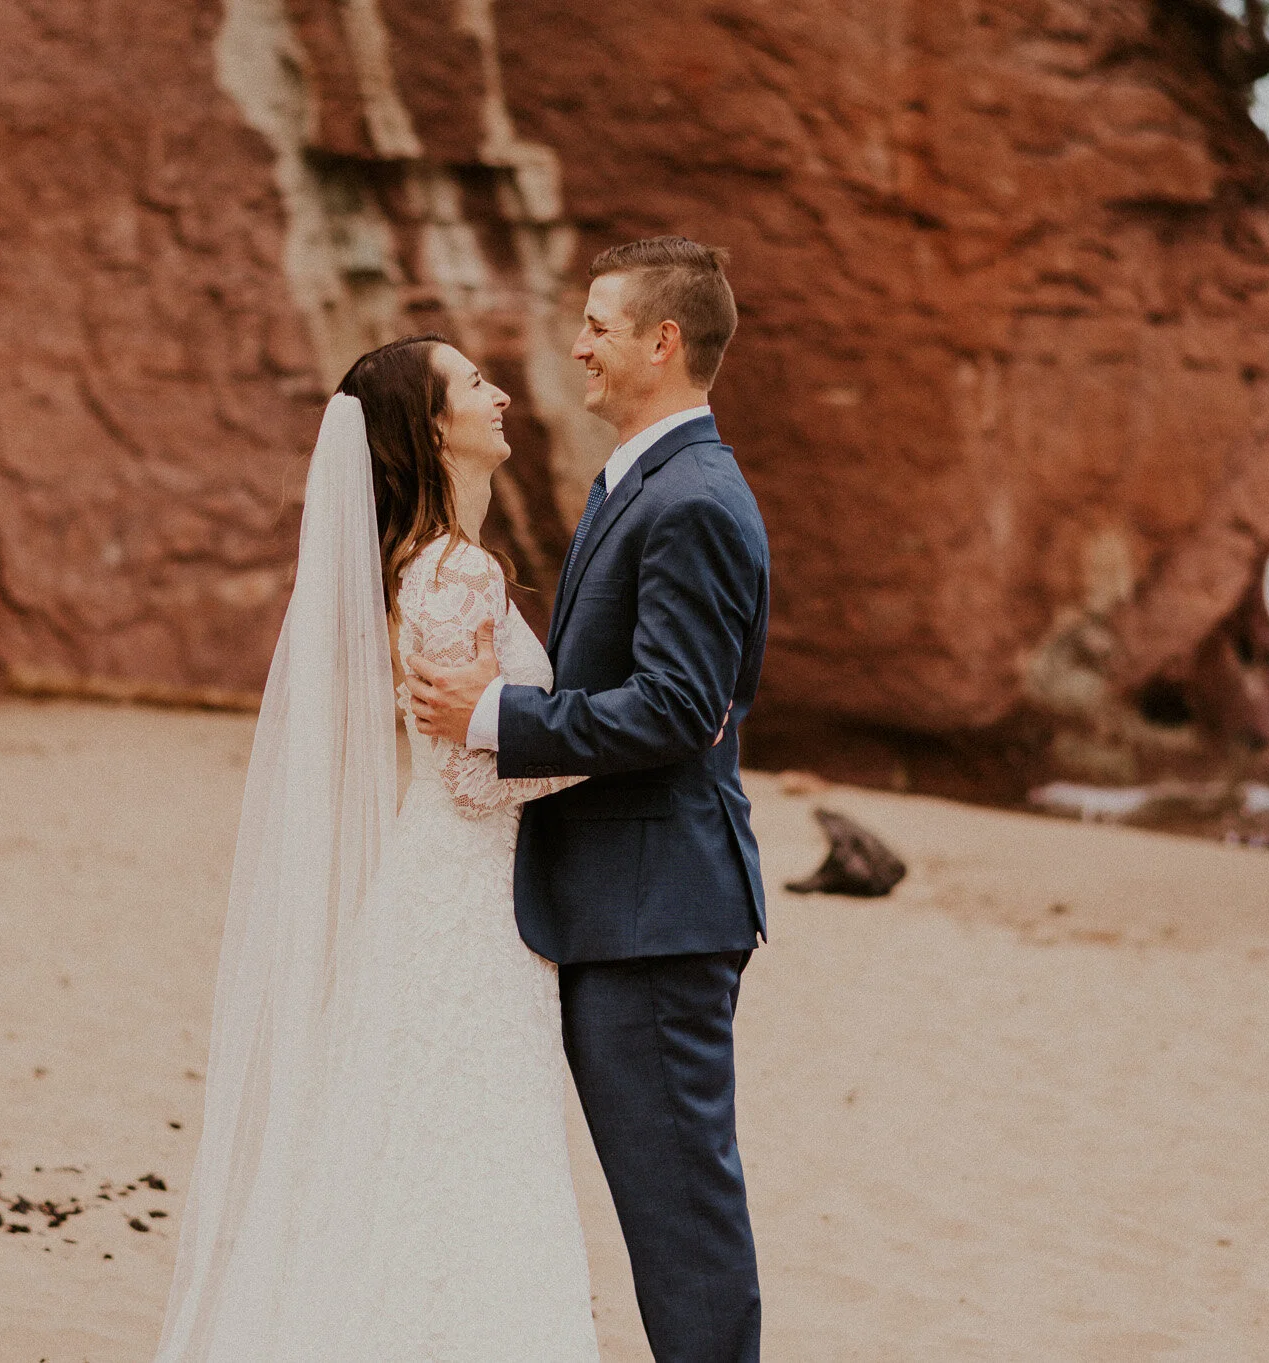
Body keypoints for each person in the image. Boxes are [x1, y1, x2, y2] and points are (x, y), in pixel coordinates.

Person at [154, 333, 600, 1360]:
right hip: (469, 895)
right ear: (430, 427)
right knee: (469, 1145)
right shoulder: (453, 573)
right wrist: (627, 749)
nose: (497, 398)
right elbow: (471, 773)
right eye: (472, 386)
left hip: (449, 886)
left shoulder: (429, 566)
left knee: (425, 1146)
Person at [408, 235, 771, 1363]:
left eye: (600, 325)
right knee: (662, 1214)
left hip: (656, 915)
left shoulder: (694, 499)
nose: (577, 346)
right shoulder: (641, 481)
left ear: (665, 341)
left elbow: (673, 709)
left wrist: (491, 718)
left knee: (681, 1226)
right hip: (619, 904)